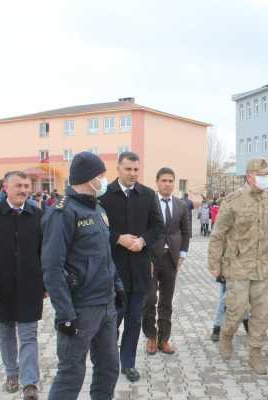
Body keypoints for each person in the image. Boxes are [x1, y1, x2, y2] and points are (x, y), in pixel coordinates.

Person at [42, 152, 126, 399]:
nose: (103, 180)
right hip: (80, 308)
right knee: (71, 373)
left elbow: (106, 255)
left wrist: (117, 286)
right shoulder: (62, 213)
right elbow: (52, 268)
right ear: (89, 178)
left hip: (106, 304)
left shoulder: (98, 209)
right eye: (101, 175)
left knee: (109, 368)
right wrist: (65, 313)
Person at [208, 158, 268, 375]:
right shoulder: (232, 201)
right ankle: (226, 334)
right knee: (237, 309)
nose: (266, 179)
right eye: (262, 175)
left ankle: (255, 352)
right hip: (238, 266)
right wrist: (214, 263)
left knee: (262, 312)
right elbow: (218, 234)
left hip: (263, 267)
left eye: (267, 175)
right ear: (249, 176)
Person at [0, 171, 43, 399]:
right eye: (18, 185)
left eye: (26, 185)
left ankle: (30, 382)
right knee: (5, 333)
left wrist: (46, 284)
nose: (24, 190)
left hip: (29, 286)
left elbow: (46, 252)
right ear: (5, 187)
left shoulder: (38, 215)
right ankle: (12, 373)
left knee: (29, 335)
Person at [99, 151, 164, 383]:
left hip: (139, 270)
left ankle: (128, 364)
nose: (133, 173)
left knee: (134, 320)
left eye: (136, 169)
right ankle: (108, 364)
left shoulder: (147, 195)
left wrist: (142, 240)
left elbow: (158, 227)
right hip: (112, 271)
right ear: (118, 169)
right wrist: (117, 238)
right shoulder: (104, 196)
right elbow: (96, 228)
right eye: (128, 169)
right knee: (112, 321)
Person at [143, 167, 191, 355]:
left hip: (171, 258)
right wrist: (145, 256)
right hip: (151, 259)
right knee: (149, 299)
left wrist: (182, 255)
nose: (167, 184)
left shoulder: (180, 205)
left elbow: (186, 232)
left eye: (171, 181)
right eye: (164, 180)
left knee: (166, 300)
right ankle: (151, 337)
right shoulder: (149, 203)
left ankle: (164, 339)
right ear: (157, 182)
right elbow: (142, 229)